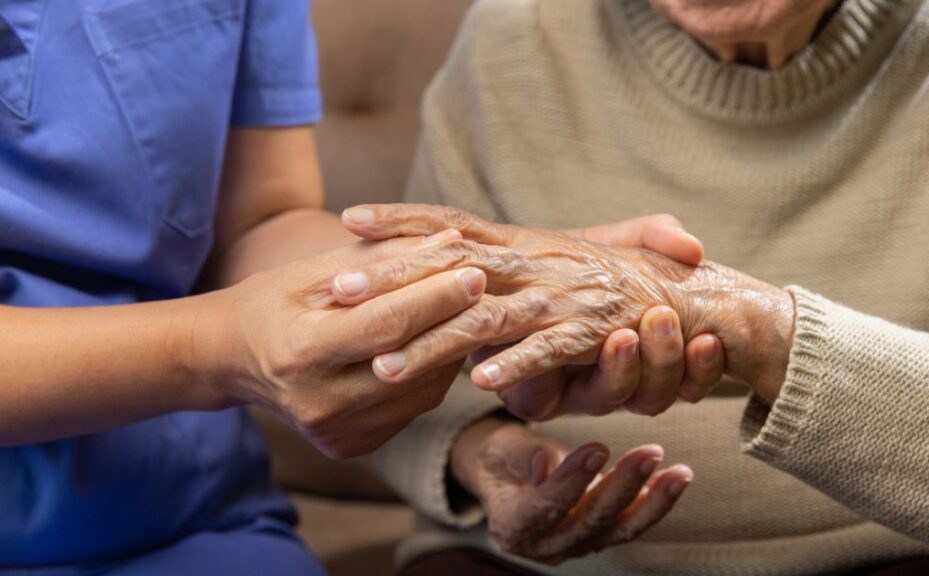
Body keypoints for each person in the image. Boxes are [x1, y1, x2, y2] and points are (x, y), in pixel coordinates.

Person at [0, 1, 711, 573]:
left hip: (186, 518)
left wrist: (484, 270)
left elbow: (259, 221)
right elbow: (226, 336)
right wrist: (215, 348)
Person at [352, 0, 929, 574]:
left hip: (903, 555)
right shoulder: (512, 35)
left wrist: (749, 326)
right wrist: (483, 458)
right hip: (525, 565)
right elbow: (403, 379)